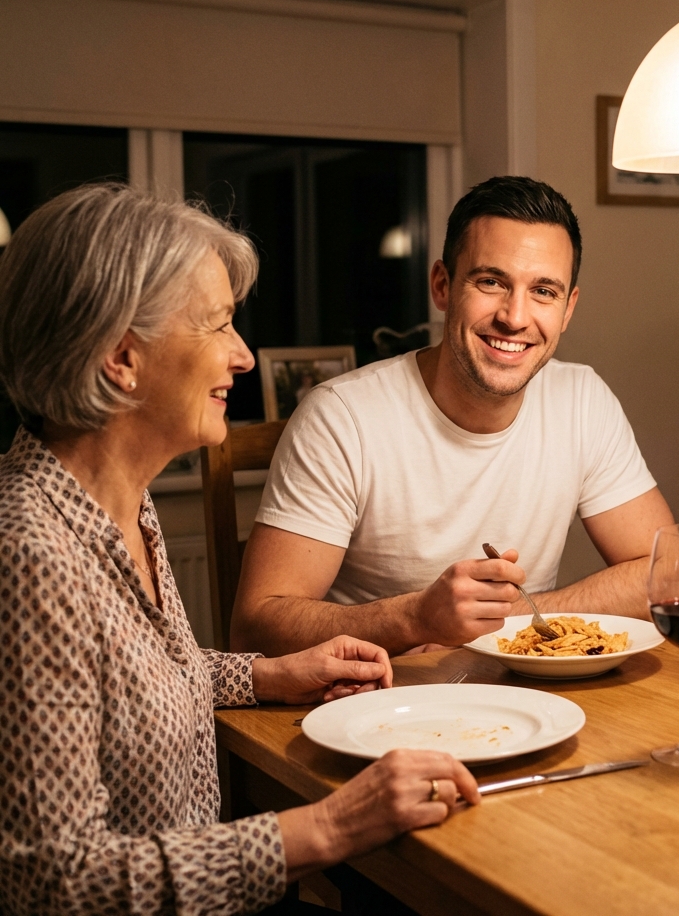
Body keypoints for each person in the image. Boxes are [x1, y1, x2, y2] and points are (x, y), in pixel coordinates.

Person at [0, 184, 479, 916]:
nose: (243, 356)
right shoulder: (30, 553)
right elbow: (57, 881)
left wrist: (269, 674)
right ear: (122, 357)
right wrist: (330, 824)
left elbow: (128, 689)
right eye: (219, 326)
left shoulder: (122, 501)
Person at [232, 176, 673, 656]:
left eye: (543, 291)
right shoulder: (342, 418)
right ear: (442, 286)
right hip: (378, 703)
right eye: (491, 282)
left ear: (568, 309)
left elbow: (667, 569)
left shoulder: (582, 397)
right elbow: (256, 627)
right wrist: (417, 618)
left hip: (524, 693)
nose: (515, 317)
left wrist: (506, 619)